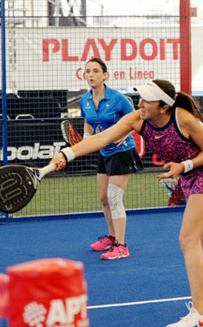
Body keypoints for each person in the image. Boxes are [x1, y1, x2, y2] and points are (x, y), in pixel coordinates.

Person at [51, 79, 203, 326]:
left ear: (164, 106)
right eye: (141, 98)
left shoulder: (184, 119)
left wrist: (183, 166)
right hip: (191, 177)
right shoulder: (137, 119)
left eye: (148, 100)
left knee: (187, 239)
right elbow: (101, 139)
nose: (141, 103)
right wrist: (67, 154)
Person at [80, 57, 143, 260]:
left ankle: (122, 246)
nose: (91, 74)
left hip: (122, 151)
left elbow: (136, 119)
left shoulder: (118, 98)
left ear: (105, 75)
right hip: (103, 152)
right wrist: (87, 140)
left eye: (96, 71)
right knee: (104, 198)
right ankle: (112, 236)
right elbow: (87, 122)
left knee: (115, 199)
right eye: (88, 71)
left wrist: (124, 134)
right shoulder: (85, 100)